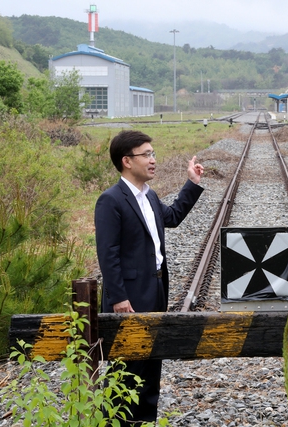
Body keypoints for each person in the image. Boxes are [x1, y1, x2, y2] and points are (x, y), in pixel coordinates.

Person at [95, 129, 204, 425]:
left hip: (156, 288)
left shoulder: (150, 196)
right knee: (127, 369)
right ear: (127, 161)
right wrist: (118, 298)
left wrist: (192, 183)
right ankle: (118, 422)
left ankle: (144, 421)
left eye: (153, 153)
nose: (153, 160)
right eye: (147, 155)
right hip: (128, 297)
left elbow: (173, 218)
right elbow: (108, 254)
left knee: (151, 365)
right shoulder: (111, 200)